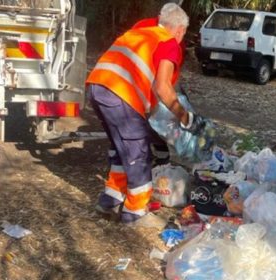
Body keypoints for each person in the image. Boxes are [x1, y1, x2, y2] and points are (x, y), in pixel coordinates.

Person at [86, 3, 206, 223]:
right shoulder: (169, 43)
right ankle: (136, 211)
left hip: (96, 86)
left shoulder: (140, 32)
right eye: (182, 33)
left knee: (120, 148)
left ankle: (110, 199)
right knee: (138, 153)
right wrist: (184, 117)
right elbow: (163, 88)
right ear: (179, 30)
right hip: (120, 94)